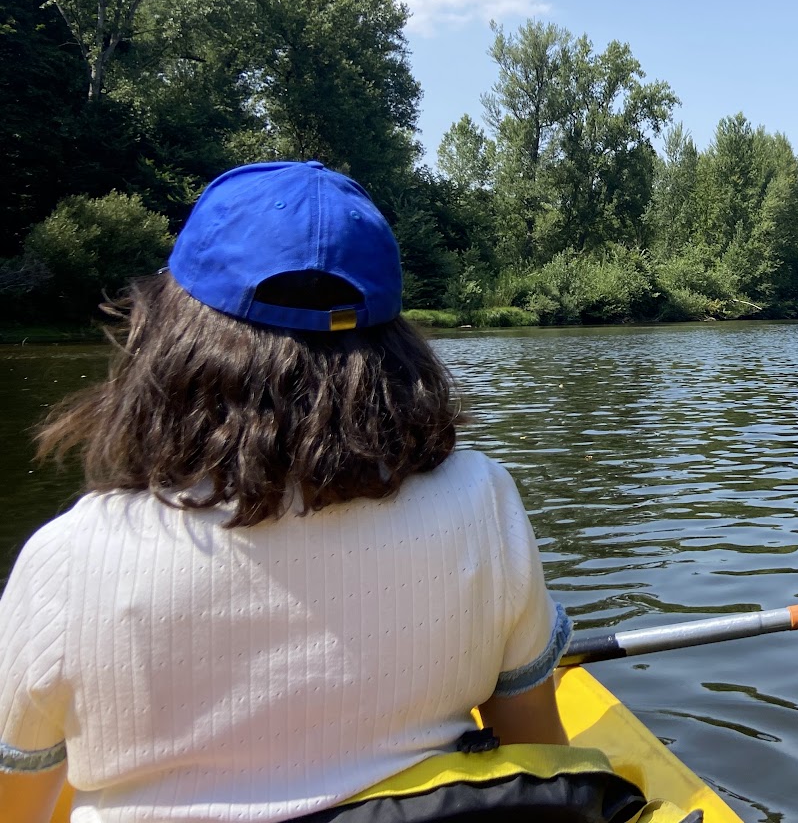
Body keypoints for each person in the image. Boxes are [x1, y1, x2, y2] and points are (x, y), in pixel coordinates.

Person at [0, 162, 572, 823]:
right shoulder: (483, 502)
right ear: (393, 344)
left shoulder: (68, 560)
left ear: (173, 333)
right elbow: (538, 750)